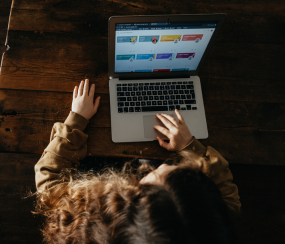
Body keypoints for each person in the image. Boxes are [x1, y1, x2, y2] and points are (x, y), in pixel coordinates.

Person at [34, 79, 241, 244]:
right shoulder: (217, 221)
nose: (166, 164)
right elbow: (228, 198)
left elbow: (49, 183)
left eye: (158, 174)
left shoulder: (89, 228)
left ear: (133, 202)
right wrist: (189, 147)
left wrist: (77, 120)